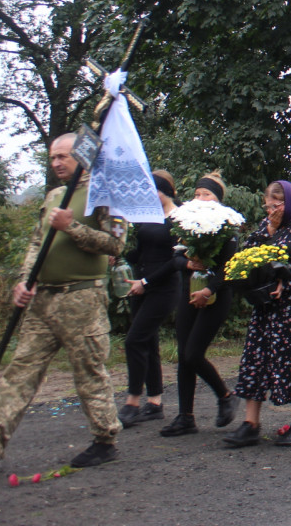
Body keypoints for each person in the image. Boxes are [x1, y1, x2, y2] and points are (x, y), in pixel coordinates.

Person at [0, 133, 127, 474]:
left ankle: (105, 439)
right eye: (53, 157)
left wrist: (72, 227)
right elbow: (37, 242)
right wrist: (25, 280)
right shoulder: (55, 195)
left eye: (63, 157)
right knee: (20, 371)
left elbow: (115, 245)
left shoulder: (104, 193)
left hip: (81, 299)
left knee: (89, 373)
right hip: (44, 300)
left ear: (82, 156)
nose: (56, 163)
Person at [224, 181, 291, 448]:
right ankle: (251, 424)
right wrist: (269, 231)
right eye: (268, 206)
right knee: (256, 358)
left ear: (289, 202)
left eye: (276, 205)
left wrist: (290, 284)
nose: (271, 210)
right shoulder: (269, 225)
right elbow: (247, 253)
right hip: (267, 306)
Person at [159, 171, 240, 437]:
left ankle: (226, 395)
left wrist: (208, 288)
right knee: (183, 356)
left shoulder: (228, 227)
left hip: (215, 296)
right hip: (189, 294)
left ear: (218, 199)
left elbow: (229, 269)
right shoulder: (185, 224)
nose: (200, 198)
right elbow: (175, 261)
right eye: (197, 194)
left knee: (194, 353)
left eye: (207, 194)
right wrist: (188, 263)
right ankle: (185, 417)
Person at [118, 170, 181, 428]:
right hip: (139, 286)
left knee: (134, 340)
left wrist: (146, 282)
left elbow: (177, 260)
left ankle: (132, 400)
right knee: (148, 344)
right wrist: (117, 254)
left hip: (162, 288)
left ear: (164, 191)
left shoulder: (180, 218)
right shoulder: (147, 215)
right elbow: (142, 252)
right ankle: (154, 403)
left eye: (151, 191)